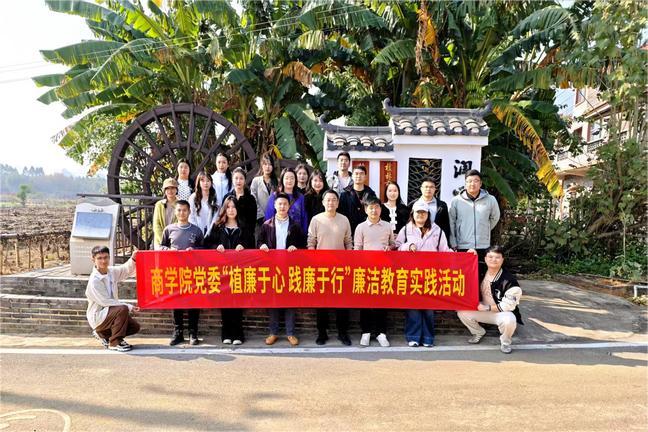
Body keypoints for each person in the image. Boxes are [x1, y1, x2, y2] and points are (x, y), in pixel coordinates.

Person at [395, 201, 452, 347]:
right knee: (413, 307)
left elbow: (445, 251)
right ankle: (413, 337)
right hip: (411, 274)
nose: (420, 215)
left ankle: (428, 338)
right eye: (418, 212)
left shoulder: (437, 230)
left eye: (423, 213)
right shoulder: (406, 230)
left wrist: (464, 256)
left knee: (428, 308)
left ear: (428, 215)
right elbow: (397, 247)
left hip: (430, 275)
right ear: (412, 214)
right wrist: (408, 246)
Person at [204, 196, 254, 345]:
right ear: (224, 209)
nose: (231, 210)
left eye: (234, 207)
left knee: (238, 303)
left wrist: (244, 247)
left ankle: (238, 334)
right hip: (222, 272)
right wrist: (216, 247)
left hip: (239, 271)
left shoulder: (244, 227)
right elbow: (206, 244)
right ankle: (226, 333)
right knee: (224, 302)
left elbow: (252, 245)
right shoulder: (217, 226)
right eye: (228, 207)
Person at [258, 193, 306, 347]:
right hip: (272, 268)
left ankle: (290, 333)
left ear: (289, 206)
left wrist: (295, 248)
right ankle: (273, 333)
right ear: (275, 205)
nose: (282, 206)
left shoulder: (295, 226)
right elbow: (259, 241)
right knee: (274, 301)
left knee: (289, 301)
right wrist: (262, 246)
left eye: (285, 204)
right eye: (279, 204)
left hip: (289, 268)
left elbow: (303, 245)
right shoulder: (267, 225)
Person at [457, 246, 523, 354]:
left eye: (497, 257)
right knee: (461, 311)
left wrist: (487, 308)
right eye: (490, 257)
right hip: (482, 308)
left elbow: (508, 306)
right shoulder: (481, 270)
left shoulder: (509, 281)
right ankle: (478, 332)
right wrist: (470, 254)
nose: (493, 260)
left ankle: (505, 342)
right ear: (485, 258)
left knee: (510, 320)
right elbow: (464, 266)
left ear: (502, 259)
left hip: (500, 313)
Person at [307, 189, 353, 346]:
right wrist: (314, 261)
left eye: (334, 200)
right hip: (321, 268)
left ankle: (342, 333)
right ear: (323, 202)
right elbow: (311, 242)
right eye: (328, 200)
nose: (331, 202)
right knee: (322, 303)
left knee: (342, 302)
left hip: (340, 268)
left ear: (338, 203)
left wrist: (349, 261)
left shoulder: (344, 220)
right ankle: (322, 333)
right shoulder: (316, 220)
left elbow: (348, 242)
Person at [159, 200, 204, 346]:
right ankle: (178, 332)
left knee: (193, 302)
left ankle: (193, 333)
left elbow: (204, 250)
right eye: (179, 210)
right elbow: (161, 247)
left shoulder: (196, 231)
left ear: (189, 212)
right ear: (175, 212)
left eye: (184, 210)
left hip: (192, 272)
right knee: (176, 302)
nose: (182, 213)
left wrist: (194, 250)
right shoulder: (169, 229)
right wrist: (169, 250)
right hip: (174, 272)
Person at [354, 197, 394, 347]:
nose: (374, 210)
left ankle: (381, 333)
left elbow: (393, 244)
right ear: (366, 210)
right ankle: (366, 332)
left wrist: (390, 248)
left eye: (377, 207)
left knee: (382, 302)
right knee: (366, 302)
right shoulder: (361, 227)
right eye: (370, 207)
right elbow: (357, 249)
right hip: (365, 270)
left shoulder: (387, 226)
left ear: (381, 209)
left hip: (383, 270)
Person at [85, 246, 140, 352]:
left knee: (134, 327)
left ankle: (103, 334)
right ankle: (115, 342)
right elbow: (105, 301)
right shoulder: (94, 280)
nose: (103, 261)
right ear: (93, 259)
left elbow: (125, 270)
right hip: (98, 316)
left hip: (110, 313)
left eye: (106, 257)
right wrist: (129, 307)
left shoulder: (111, 272)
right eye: (99, 258)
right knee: (122, 309)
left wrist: (133, 258)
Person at [449, 169, 500, 270]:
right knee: (463, 274)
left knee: (481, 273)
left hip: (483, 245)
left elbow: (495, 217)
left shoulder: (490, 199)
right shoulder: (456, 201)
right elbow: (451, 222)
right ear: (465, 183)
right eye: (469, 181)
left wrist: (484, 229)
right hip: (462, 245)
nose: (472, 184)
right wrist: (453, 242)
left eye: (476, 181)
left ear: (480, 183)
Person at [264, 168, 308, 233]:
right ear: (282, 180)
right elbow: (269, 216)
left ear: (295, 180)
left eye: (292, 178)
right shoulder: (275, 196)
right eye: (286, 178)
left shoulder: (300, 197)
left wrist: (304, 233)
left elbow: (304, 217)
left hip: (296, 233)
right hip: (278, 232)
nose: (289, 181)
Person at [408, 177, 450, 241]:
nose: (428, 189)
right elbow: (408, 223)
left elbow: (445, 226)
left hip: (436, 240)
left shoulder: (442, 205)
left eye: (431, 187)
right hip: (416, 240)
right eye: (426, 187)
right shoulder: (413, 204)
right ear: (421, 188)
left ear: (435, 189)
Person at [339, 165, 377, 235]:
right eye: (356, 174)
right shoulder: (345, 194)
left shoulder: (371, 194)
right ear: (352, 176)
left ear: (365, 177)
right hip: (349, 231)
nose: (359, 176)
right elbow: (341, 214)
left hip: (367, 230)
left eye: (361, 174)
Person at [250, 152, 278, 235]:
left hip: (275, 219)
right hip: (259, 219)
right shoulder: (256, 181)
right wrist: (261, 216)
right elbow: (253, 199)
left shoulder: (277, 182)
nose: (267, 167)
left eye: (270, 164)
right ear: (261, 165)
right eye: (265, 164)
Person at [224, 167, 257, 232]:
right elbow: (224, 217)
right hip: (230, 232)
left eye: (241, 178)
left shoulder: (250, 199)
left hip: (247, 234)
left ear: (245, 181)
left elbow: (253, 220)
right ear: (232, 180)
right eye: (236, 178)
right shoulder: (227, 197)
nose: (238, 181)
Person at [189, 171, 218, 236]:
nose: (205, 183)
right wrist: (197, 231)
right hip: (196, 233)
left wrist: (209, 231)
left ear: (211, 182)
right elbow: (191, 216)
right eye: (202, 181)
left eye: (208, 181)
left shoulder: (215, 198)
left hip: (212, 233)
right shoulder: (193, 197)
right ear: (199, 182)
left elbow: (216, 217)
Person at [153, 178, 178, 250]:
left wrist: (172, 241)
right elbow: (156, 225)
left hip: (175, 242)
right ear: (164, 191)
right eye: (167, 188)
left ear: (176, 190)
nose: (170, 191)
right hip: (160, 242)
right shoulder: (159, 204)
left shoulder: (180, 204)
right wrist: (163, 241)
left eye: (172, 188)